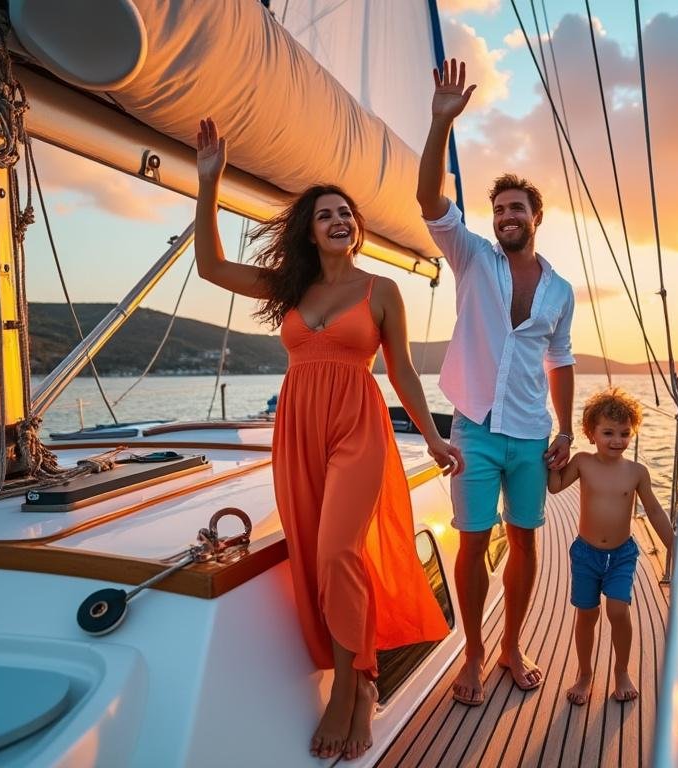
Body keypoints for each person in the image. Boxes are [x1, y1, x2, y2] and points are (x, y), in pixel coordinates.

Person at [194, 118, 462, 760]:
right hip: (296, 431)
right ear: (309, 231)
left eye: (346, 213)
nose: (339, 220)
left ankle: (353, 686)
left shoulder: (382, 291)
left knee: (341, 549)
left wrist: (434, 436)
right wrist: (210, 184)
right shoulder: (290, 288)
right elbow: (209, 267)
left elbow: (402, 374)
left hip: (356, 426)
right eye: (326, 215)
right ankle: (354, 672)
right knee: (315, 555)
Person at [417, 59, 576, 705]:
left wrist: (567, 428)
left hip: (532, 436)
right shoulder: (471, 257)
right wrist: (440, 122)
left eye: (517, 208)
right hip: (476, 431)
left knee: (526, 542)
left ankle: (512, 646)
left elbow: (560, 359)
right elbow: (429, 200)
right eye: (499, 209)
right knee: (474, 543)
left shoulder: (561, 289)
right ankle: (475, 655)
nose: (506, 216)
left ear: (536, 216)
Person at [547, 387, 674, 704]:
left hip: (621, 554)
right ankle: (585, 674)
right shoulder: (582, 463)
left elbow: (655, 511)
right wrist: (550, 465)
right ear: (590, 433)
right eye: (608, 433)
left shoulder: (636, 472)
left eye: (624, 433)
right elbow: (556, 487)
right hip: (586, 554)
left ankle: (621, 671)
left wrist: (675, 545)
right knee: (587, 615)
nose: (617, 441)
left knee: (618, 610)